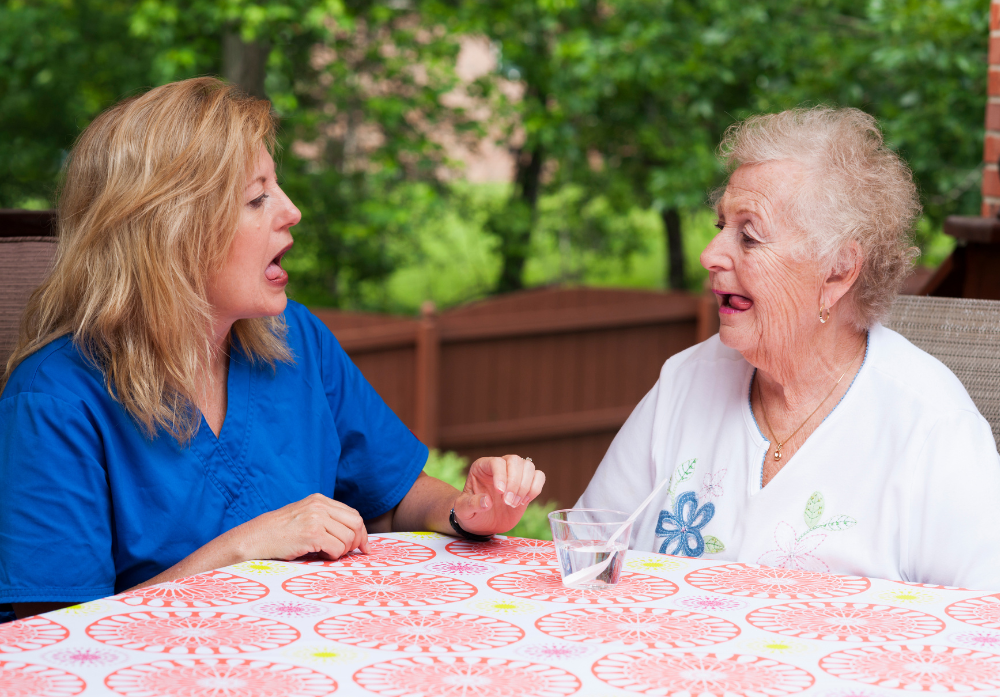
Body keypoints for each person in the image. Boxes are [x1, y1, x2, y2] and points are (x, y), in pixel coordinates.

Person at [0, 78, 545, 623]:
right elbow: (51, 639)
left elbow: (395, 496)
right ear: (169, 233)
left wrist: (464, 511)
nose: (291, 211)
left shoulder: (296, 339)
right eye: (257, 198)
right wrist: (241, 550)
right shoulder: (54, 401)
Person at [578, 107, 1000, 590]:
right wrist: (476, 525)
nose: (711, 255)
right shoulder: (685, 381)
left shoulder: (932, 428)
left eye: (749, 236)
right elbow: (589, 559)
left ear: (839, 270)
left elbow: (983, 628)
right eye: (721, 227)